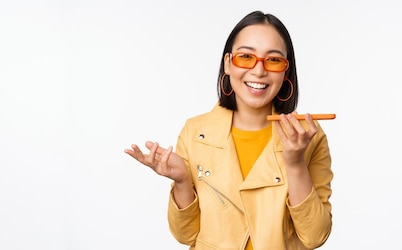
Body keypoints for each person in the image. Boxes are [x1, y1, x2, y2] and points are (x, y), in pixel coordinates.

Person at [124, 10, 333, 250]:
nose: (259, 70)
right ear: (228, 64)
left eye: (273, 60)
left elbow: (315, 236)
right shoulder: (195, 132)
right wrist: (182, 181)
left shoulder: (308, 136)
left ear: (286, 71)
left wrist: (295, 164)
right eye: (245, 56)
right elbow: (186, 235)